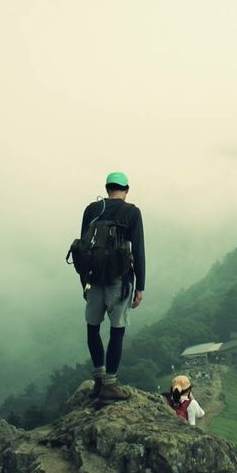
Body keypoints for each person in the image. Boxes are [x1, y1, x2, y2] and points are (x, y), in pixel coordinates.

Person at [79, 172, 146, 402]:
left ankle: (98, 379)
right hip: (120, 280)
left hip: (93, 279)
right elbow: (138, 251)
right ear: (126, 189)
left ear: (107, 188)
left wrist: (84, 281)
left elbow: (83, 246)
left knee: (92, 328)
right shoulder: (132, 212)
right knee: (117, 330)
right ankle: (110, 384)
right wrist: (140, 286)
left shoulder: (91, 210)